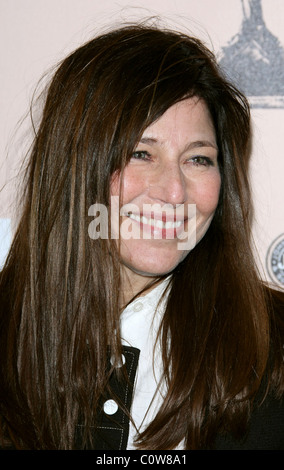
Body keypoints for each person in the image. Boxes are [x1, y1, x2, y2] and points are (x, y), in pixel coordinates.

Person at [0, 22, 283, 451]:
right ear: (74, 166)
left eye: (199, 159)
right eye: (140, 153)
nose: (173, 192)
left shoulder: (275, 343)